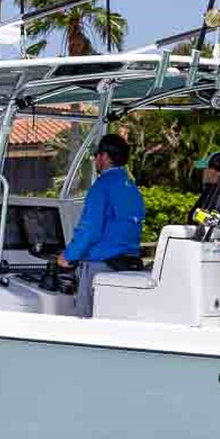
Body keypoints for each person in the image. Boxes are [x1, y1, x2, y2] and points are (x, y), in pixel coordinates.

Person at [58, 132, 146, 318]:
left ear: (104, 157)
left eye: (96, 155)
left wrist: (68, 255)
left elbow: (90, 229)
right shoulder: (131, 188)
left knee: (85, 322)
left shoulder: (101, 187)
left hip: (101, 266)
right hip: (129, 266)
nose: (95, 160)